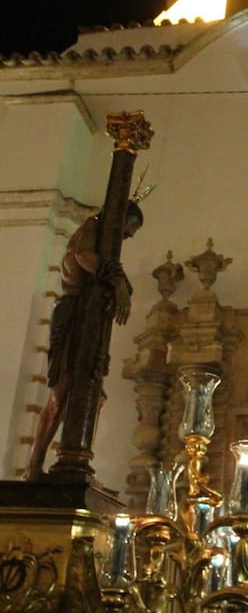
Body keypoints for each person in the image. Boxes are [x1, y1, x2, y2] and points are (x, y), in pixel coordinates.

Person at [23, 200, 143, 480]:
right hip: (72, 314)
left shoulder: (106, 246)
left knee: (95, 397)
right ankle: (33, 466)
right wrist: (115, 281)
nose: (129, 235)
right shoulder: (91, 229)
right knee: (62, 392)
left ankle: (77, 461)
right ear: (120, 218)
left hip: (91, 321)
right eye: (130, 227)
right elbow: (81, 256)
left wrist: (121, 287)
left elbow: (121, 282)